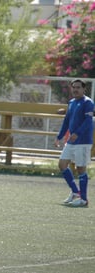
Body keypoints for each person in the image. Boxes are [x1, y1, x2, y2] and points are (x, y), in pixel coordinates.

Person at [55, 79, 94, 207]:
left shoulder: (88, 102)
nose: (75, 89)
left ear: (84, 89)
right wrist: (59, 136)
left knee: (80, 169)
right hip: (71, 141)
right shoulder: (71, 102)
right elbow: (67, 121)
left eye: (78, 87)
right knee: (62, 164)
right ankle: (75, 192)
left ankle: (83, 199)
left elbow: (88, 121)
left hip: (83, 141)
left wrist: (77, 133)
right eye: (74, 87)